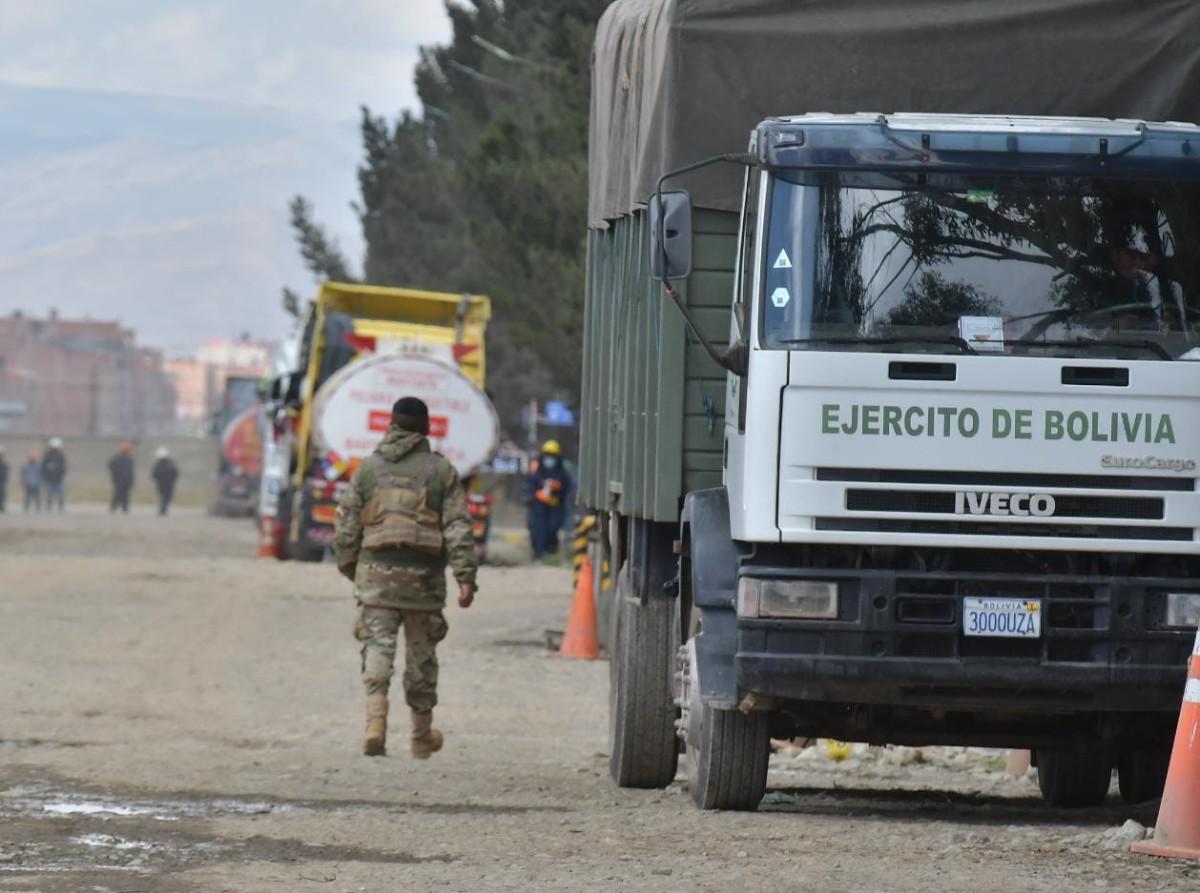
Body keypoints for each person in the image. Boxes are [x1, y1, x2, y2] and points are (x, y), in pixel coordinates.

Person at [333, 396, 478, 759]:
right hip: (423, 586)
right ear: (426, 428)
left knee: (378, 650)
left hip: (375, 580)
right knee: (421, 657)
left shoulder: (368, 469)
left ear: (391, 425)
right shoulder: (441, 472)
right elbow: (458, 527)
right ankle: (420, 737)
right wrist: (465, 575)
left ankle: (375, 727)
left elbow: (346, 528)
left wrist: (354, 570)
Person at [525, 440, 572, 560]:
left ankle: (551, 552)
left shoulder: (562, 472)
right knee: (537, 530)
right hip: (539, 508)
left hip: (555, 507)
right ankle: (539, 555)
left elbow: (567, 489)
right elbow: (530, 487)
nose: (549, 459)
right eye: (547, 456)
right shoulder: (538, 471)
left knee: (552, 528)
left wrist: (558, 487)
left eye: (552, 456)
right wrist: (537, 493)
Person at [40, 436, 67, 513]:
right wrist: (45, 476)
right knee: (49, 494)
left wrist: (60, 474)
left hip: (59, 479)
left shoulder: (61, 456)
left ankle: (61, 507)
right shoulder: (47, 456)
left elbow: (64, 467)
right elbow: (43, 467)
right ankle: (49, 507)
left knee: (61, 494)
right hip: (49, 479)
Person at [151, 447, 179, 516]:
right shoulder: (169, 463)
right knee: (165, 497)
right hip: (166, 484)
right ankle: (163, 509)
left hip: (165, 484)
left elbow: (154, 474)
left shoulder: (165, 464)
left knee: (164, 496)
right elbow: (175, 473)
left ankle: (163, 509)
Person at [108, 443, 135, 513]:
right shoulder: (117, 459)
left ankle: (124, 508)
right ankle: (114, 507)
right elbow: (111, 466)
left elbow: (130, 471)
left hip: (125, 481)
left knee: (125, 495)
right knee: (118, 494)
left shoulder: (129, 459)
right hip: (119, 480)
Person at [0, 446, 8, 513]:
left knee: (2, 494)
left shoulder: (4, 464)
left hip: (1, 481)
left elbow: (5, 473)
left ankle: (1, 506)